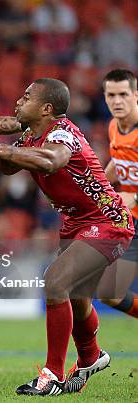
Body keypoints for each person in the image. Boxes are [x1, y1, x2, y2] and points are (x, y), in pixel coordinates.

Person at [0, 78, 134, 396]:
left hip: (107, 220)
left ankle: (51, 373)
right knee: (79, 300)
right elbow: (7, 166)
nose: (18, 101)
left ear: (46, 108)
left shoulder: (61, 133)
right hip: (77, 223)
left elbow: (50, 160)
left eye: (26, 97)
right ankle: (91, 356)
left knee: (55, 282)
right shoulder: (31, 135)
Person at [99, 69, 138, 318]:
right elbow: (118, 162)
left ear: (136, 95)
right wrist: (97, 188)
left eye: (123, 94)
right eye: (111, 95)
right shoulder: (114, 126)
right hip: (133, 222)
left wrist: (134, 197)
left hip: (133, 207)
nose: (117, 101)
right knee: (110, 293)